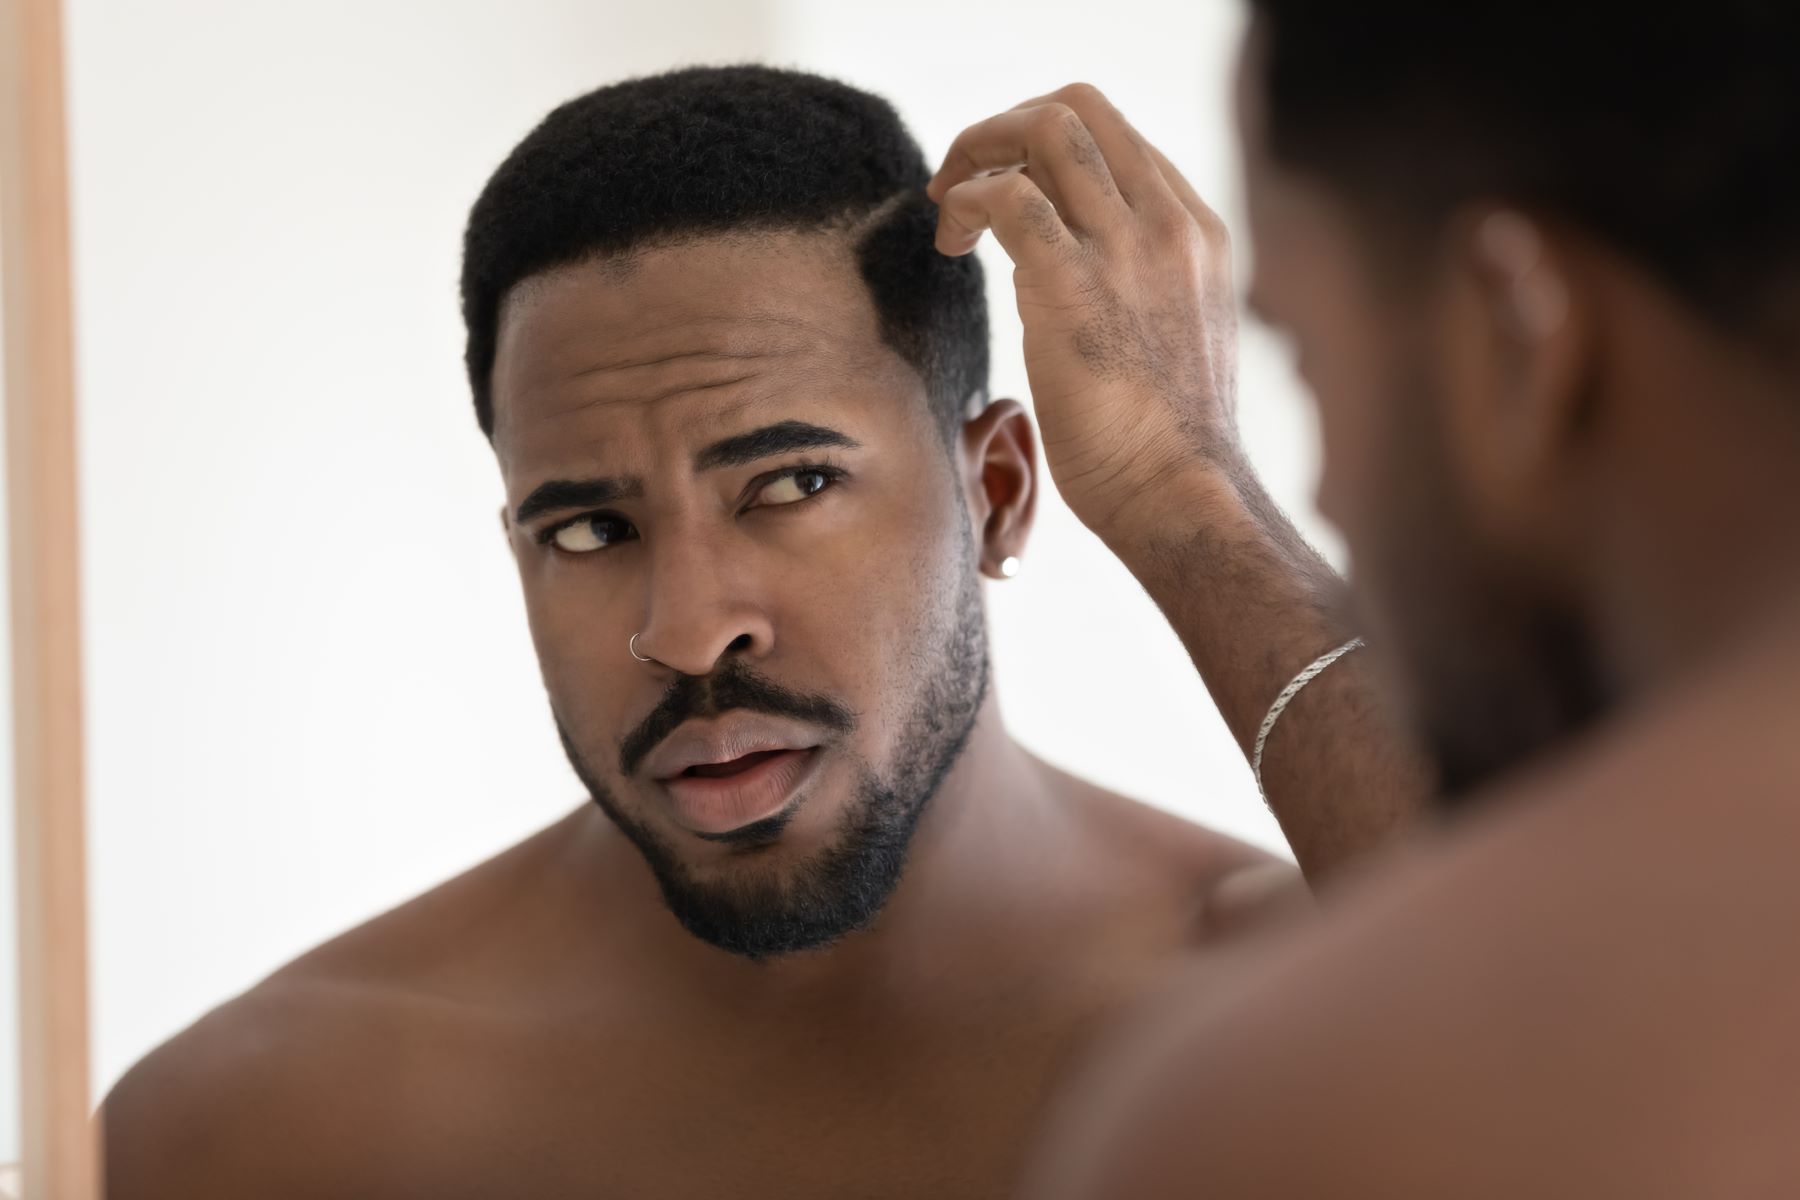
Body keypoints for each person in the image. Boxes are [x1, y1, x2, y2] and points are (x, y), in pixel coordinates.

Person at [100, 66, 1428, 1198]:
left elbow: (1604, 1076)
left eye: (788, 486)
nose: (688, 630)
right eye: (587, 531)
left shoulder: (1290, 1004)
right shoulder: (270, 1131)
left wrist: (1187, 495)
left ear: (1000, 494)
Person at [918, 7, 1800, 1197]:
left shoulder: (1294, 1107)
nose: (1326, 487)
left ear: (1519, 337)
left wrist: (1187, 493)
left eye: (1306, 360)